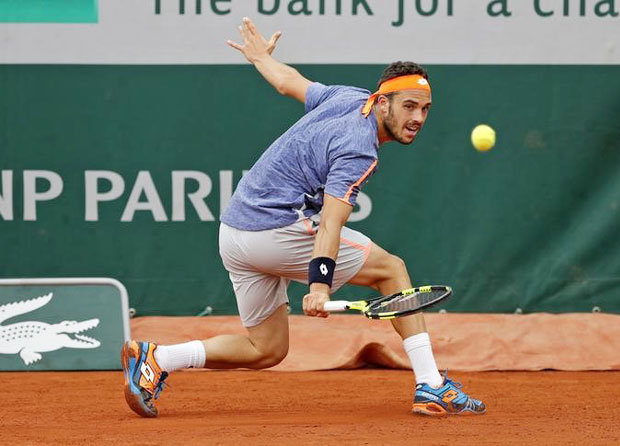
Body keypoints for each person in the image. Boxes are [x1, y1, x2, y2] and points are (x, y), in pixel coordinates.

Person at [121, 17, 485, 418]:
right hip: (273, 230)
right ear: (383, 103)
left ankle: (157, 358)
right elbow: (330, 222)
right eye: (409, 106)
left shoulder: (348, 97)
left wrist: (260, 59)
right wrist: (320, 286)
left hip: (234, 233)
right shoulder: (359, 150)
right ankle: (432, 386)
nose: (418, 117)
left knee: (266, 349)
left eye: (425, 109)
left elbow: (287, 82)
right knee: (391, 270)